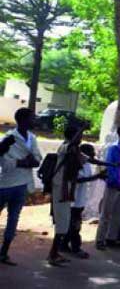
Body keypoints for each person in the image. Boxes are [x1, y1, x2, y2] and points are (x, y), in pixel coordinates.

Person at [0, 108, 42, 266]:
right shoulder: (10, 138)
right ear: (23, 120)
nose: (35, 121)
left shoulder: (32, 138)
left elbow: (38, 159)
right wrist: (23, 162)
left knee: (13, 221)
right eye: (32, 118)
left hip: (22, 184)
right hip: (5, 184)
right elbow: (3, 163)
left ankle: (4, 253)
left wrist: (27, 162)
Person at [48, 125, 86, 266]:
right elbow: (71, 143)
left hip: (66, 190)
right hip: (60, 189)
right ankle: (53, 255)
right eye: (79, 136)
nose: (81, 139)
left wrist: (112, 164)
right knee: (62, 223)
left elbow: (89, 160)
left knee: (64, 223)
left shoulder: (75, 151)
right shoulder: (64, 147)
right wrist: (81, 129)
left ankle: (55, 253)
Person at [96, 126, 120, 251]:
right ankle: (100, 240)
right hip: (114, 185)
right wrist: (114, 181)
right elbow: (110, 166)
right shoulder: (114, 148)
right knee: (106, 214)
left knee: (118, 214)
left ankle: (111, 238)